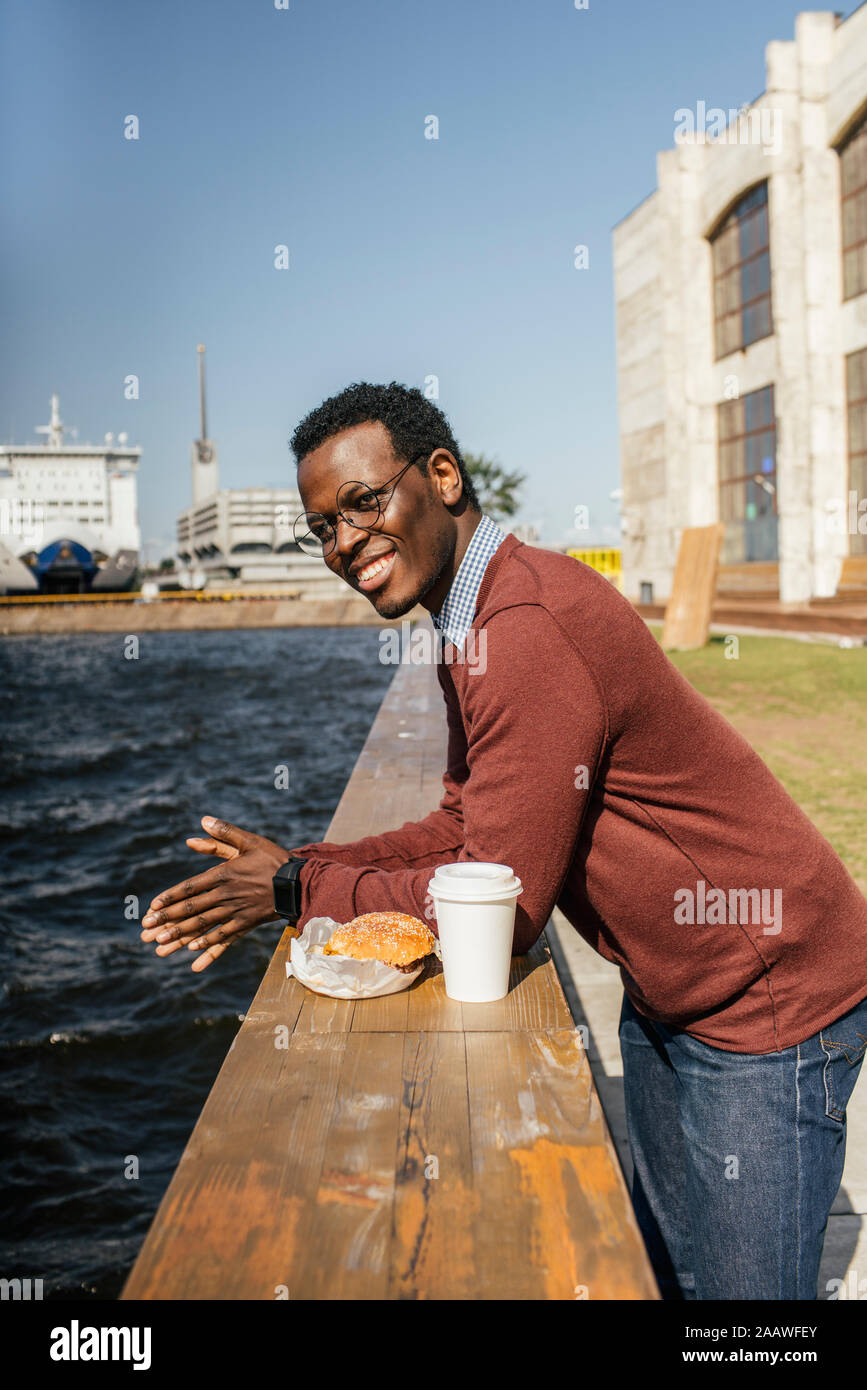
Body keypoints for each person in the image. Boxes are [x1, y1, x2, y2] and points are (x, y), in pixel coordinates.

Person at [141, 381, 867, 1300]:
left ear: (440, 476)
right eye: (321, 526)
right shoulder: (472, 614)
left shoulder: (518, 626)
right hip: (672, 985)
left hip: (768, 1000)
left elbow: (506, 902)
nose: (343, 542)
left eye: (363, 503)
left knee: (748, 1319)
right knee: (675, 1277)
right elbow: (463, 820)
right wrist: (310, 868)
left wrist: (293, 896)